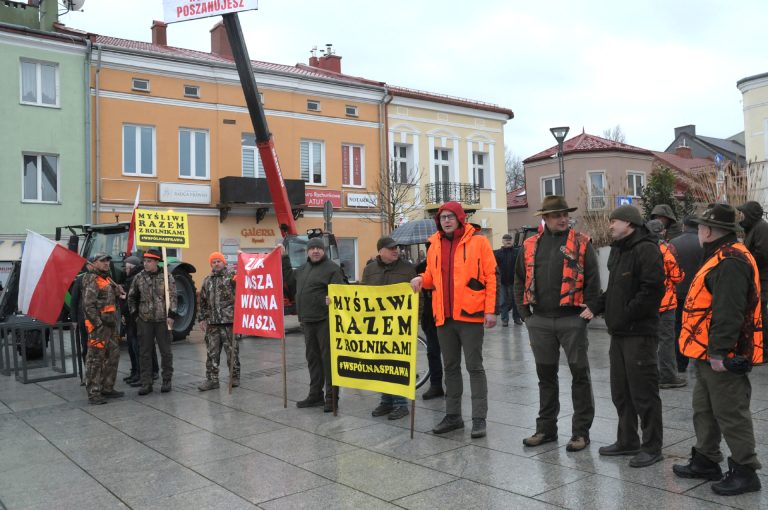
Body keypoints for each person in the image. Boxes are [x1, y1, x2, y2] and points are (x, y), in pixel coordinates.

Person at [673, 203, 763, 496]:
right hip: (704, 351)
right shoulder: (718, 255)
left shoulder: (730, 260)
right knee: (705, 409)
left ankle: (745, 470)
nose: (698, 231)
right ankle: (706, 459)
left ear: (709, 230)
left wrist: (719, 353)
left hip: (722, 354)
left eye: (700, 226)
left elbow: (730, 311)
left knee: (730, 411)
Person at [513, 196, 600, 452]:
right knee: (545, 376)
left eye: (565, 214)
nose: (563, 219)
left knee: (579, 375)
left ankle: (580, 432)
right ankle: (546, 429)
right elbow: (519, 280)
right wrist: (525, 314)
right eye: (557, 215)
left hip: (570, 319)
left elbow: (594, 279)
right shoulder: (529, 245)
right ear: (546, 219)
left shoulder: (582, 243)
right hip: (539, 319)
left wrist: (590, 310)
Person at [410, 201, 497, 439]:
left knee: (474, 367)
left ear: (460, 218)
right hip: (443, 316)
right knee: (450, 368)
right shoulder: (434, 244)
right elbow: (431, 276)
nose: (446, 221)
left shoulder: (478, 241)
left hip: (470, 315)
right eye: (442, 217)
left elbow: (490, 276)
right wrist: (420, 279)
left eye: (450, 216)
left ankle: (479, 419)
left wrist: (490, 310)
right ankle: (453, 416)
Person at [594, 204, 666, 468]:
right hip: (620, 333)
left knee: (644, 393)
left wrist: (624, 314)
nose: (610, 225)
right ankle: (627, 440)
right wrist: (597, 306)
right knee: (621, 391)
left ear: (629, 223)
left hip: (639, 334)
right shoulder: (619, 250)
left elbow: (652, 291)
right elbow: (614, 289)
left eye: (614, 221)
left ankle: (652, 446)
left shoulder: (646, 249)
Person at [282, 237, 346, 412]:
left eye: (319, 248)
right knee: (313, 359)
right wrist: (283, 258)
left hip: (325, 320)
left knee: (328, 360)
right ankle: (315, 395)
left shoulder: (332, 268)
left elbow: (341, 293)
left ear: (323, 251)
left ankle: (331, 398)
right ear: (307, 252)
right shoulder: (303, 269)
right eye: (312, 248)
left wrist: (333, 298)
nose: (315, 251)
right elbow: (289, 278)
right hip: (307, 321)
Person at [365, 236, 420, 420]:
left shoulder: (407, 269)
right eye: (391, 248)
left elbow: (417, 296)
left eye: (396, 248)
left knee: (396, 364)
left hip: (400, 325)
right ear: (380, 251)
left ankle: (400, 403)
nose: (395, 250)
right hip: (377, 325)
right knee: (380, 364)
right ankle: (386, 401)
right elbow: (362, 293)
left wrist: (414, 319)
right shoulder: (369, 269)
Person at [128, 249, 177, 395]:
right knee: (144, 353)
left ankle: (166, 380)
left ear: (156, 262)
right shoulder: (139, 277)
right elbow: (131, 297)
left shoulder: (167, 277)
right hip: (145, 320)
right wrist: (136, 315)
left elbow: (173, 297)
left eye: (149, 261)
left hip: (163, 320)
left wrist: (171, 315)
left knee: (166, 352)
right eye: (145, 261)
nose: (146, 264)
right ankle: (146, 383)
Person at [646, 220, 686, 389]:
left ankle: (648, 375)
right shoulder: (666, 250)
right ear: (662, 232)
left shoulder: (643, 249)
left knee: (649, 340)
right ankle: (668, 376)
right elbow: (676, 277)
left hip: (648, 303)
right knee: (666, 340)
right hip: (667, 303)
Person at [82, 253, 125, 404]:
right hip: (99, 328)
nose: (106, 263)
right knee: (95, 359)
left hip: (110, 326)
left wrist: (117, 290)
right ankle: (94, 393)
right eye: (102, 261)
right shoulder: (92, 279)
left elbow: (107, 300)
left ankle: (107, 388)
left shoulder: (106, 278)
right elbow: (88, 306)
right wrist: (98, 324)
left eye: (107, 261)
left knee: (113, 356)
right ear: (94, 263)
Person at [198, 251, 239, 391]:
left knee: (232, 352)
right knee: (211, 353)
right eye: (213, 262)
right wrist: (202, 318)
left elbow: (242, 293)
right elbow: (202, 301)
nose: (216, 263)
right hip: (213, 324)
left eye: (218, 261)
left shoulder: (233, 277)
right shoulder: (207, 280)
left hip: (229, 322)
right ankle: (212, 380)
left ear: (224, 262)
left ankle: (234, 377)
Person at [669, 216, 703, 374]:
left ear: (684, 226)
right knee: (699, 326)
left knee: (678, 327)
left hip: (679, 292)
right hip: (699, 293)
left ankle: (681, 363)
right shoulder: (704, 243)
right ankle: (699, 359)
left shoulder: (674, 243)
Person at [121, 255, 156, 387]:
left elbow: (134, 299)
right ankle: (136, 372)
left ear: (132, 267)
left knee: (139, 348)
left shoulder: (137, 279)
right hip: (131, 318)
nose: (125, 269)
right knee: (133, 347)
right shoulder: (131, 279)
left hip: (137, 319)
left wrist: (124, 298)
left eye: (127, 267)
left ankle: (143, 374)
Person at [737, 201, 768, 341]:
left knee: (760, 313)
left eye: (743, 213)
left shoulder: (762, 227)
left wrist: (745, 263)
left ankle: (763, 348)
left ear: (751, 214)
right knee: (757, 313)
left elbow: (762, 254)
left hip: (761, 279)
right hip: (756, 278)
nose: (741, 217)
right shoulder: (754, 227)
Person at [416, 245, 444, 400]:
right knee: (433, 351)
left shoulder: (447, 265)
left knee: (449, 353)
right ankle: (436, 384)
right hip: (429, 316)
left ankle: (452, 385)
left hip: (446, 315)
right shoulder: (420, 268)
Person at [495, 233, 522, 326]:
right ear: (502, 241)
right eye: (506, 240)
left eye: (510, 239)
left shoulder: (517, 252)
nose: (508, 241)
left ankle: (517, 319)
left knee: (516, 302)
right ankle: (504, 320)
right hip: (502, 282)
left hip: (515, 282)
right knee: (502, 302)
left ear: (512, 241)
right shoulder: (497, 253)